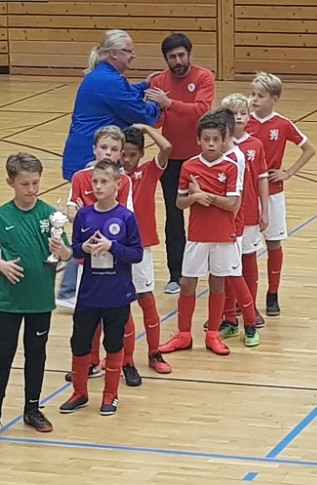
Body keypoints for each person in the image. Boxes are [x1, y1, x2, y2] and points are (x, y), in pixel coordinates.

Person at [58, 29, 162, 305]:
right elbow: (142, 114)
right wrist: (160, 105)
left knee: (93, 220)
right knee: (90, 220)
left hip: (85, 155)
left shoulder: (105, 76)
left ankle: (72, 288)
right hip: (89, 161)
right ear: (114, 53)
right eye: (128, 51)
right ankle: (70, 290)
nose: (133, 55)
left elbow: (126, 93)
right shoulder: (108, 81)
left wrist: (144, 86)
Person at [0, 153, 72, 440]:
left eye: (35, 183)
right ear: (11, 182)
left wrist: (62, 251)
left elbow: (67, 252)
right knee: (2, 355)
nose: (31, 189)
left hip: (40, 300)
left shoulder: (50, 215)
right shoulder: (0, 215)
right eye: (25, 184)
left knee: (36, 355)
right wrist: (1, 264)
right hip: (9, 301)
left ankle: (32, 409)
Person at [59, 160, 143, 416]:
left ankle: (110, 395)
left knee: (114, 344)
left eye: (104, 181)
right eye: (95, 181)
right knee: (79, 343)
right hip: (89, 293)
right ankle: (79, 393)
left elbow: (137, 253)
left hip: (117, 294)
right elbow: (75, 249)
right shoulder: (84, 216)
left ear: (118, 184)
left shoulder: (126, 217)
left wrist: (111, 247)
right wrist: (81, 249)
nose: (97, 186)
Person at [159, 112, 242, 356]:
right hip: (197, 235)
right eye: (206, 139)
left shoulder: (231, 166)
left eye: (216, 139)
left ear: (224, 140)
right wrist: (194, 197)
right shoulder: (189, 166)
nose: (211, 144)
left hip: (223, 234)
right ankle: (183, 334)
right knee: (187, 283)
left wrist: (207, 196)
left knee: (218, 282)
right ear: (199, 140)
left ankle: (213, 334)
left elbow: (232, 204)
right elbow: (179, 203)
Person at [61, 126, 135, 384]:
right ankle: (91, 363)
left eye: (114, 149)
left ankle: (127, 362)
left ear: (120, 153)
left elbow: (123, 218)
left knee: (122, 315)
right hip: (89, 258)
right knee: (89, 314)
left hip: (117, 257)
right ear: (94, 149)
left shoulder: (124, 181)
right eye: (103, 147)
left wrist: (89, 216)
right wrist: (81, 215)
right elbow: (72, 211)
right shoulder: (81, 177)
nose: (108, 153)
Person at [147, 33, 216, 294]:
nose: (177, 61)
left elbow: (201, 110)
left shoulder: (204, 77)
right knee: (173, 218)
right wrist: (149, 106)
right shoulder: (159, 81)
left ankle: (214, 268)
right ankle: (176, 274)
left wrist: (169, 103)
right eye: (172, 57)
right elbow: (157, 122)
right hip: (172, 161)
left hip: (202, 161)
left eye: (181, 55)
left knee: (207, 214)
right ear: (165, 58)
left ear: (189, 54)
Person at [245, 72, 317, 318]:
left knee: (273, 243)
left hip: (273, 193)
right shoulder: (243, 122)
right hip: (247, 194)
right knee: (247, 248)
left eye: (261, 96)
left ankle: (272, 293)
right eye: (253, 94)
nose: (255, 100)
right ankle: (246, 298)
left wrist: (288, 172)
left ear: (275, 99)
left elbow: (309, 149)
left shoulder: (283, 124)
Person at [120, 124, 172, 374]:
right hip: (115, 248)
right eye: (123, 154)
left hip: (140, 247)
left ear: (141, 154)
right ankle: (126, 359)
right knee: (121, 305)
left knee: (146, 298)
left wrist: (146, 129)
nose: (127, 159)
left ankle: (154, 352)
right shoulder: (111, 176)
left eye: (132, 154)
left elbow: (167, 147)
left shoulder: (149, 171)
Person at [221, 93, 269, 336]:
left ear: (249, 116)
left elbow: (262, 179)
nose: (239, 117)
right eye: (234, 114)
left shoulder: (255, 145)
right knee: (225, 264)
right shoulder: (218, 146)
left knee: (248, 260)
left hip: (249, 213)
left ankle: (251, 306)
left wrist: (264, 209)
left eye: (243, 113)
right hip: (225, 214)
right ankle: (226, 311)